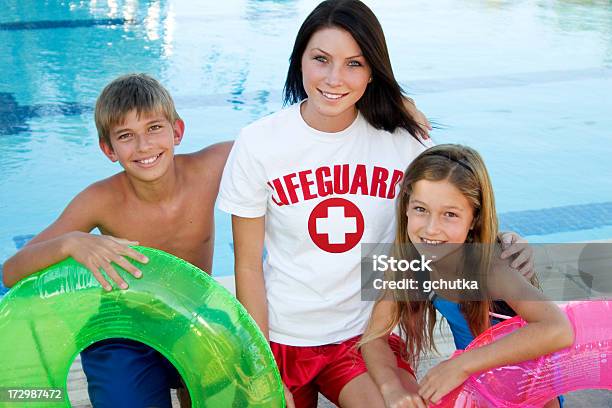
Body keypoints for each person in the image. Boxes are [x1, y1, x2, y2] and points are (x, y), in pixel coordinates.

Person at [217, 1, 533, 407]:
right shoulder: (259, 143)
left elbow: (452, 210)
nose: (334, 78)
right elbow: (246, 264)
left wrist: (502, 238)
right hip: (281, 335)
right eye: (321, 59)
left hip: (364, 336)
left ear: (373, 70)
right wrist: (260, 364)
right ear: (300, 61)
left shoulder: (403, 142)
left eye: (354, 63)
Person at [2, 73, 232, 408]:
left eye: (154, 128)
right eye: (126, 136)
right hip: (125, 332)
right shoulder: (100, 200)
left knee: (216, 389)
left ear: (177, 131)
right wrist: (71, 242)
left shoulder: (210, 167)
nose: (144, 146)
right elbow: (11, 272)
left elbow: (281, 149)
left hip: (190, 316)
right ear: (108, 149)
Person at [360, 144, 574, 408]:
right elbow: (374, 337)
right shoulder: (412, 264)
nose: (431, 228)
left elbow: (559, 329)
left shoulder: (492, 269)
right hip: (477, 389)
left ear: (474, 218)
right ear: (405, 207)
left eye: (450, 214)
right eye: (420, 209)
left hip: (529, 394)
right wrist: (391, 388)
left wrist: (461, 365)